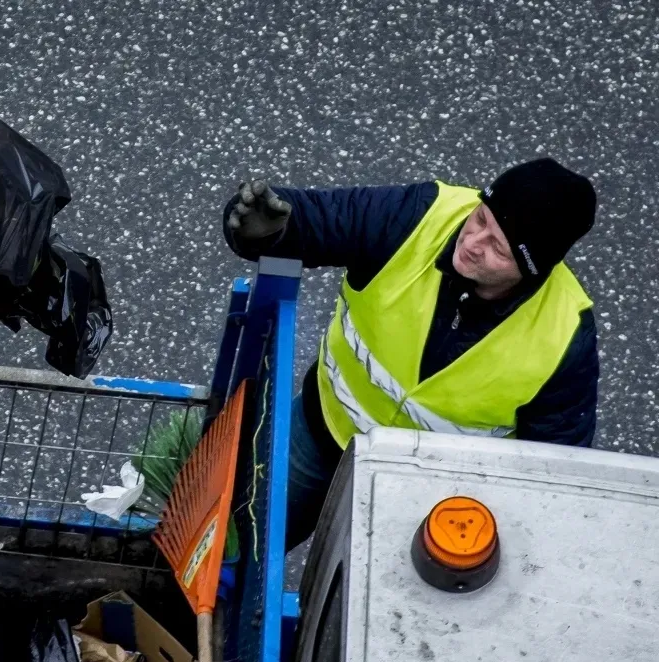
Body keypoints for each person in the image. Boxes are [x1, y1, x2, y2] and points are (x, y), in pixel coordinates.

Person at [223, 158, 599, 550]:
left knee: (367, 605)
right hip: (320, 434)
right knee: (236, 550)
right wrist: (266, 233)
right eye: (481, 219)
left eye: (498, 250)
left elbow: (553, 471)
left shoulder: (564, 337)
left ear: (531, 269)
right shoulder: (420, 217)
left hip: (429, 501)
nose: (472, 244)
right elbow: (316, 220)